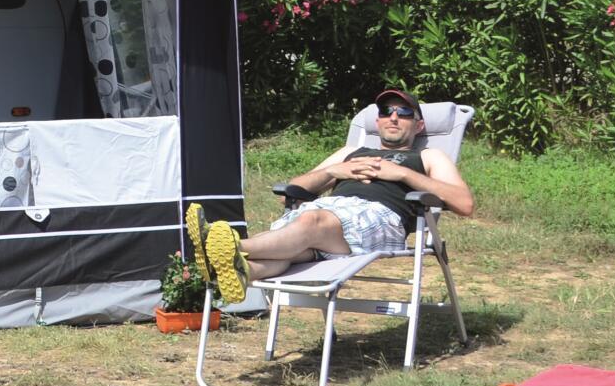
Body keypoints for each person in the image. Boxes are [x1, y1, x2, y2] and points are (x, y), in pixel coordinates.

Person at [187, 85, 473, 305]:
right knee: (297, 248)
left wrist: (402, 174)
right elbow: (291, 191)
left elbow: (464, 203)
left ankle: (229, 245)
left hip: (379, 219)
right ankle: (241, 269)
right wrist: (335, 170)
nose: (394, 118)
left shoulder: (428, 156)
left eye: (405, 113)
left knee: (312, 221)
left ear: (419, 125)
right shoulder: (352, 152)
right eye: (387, 112)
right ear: (378, 121)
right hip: (328, 217)